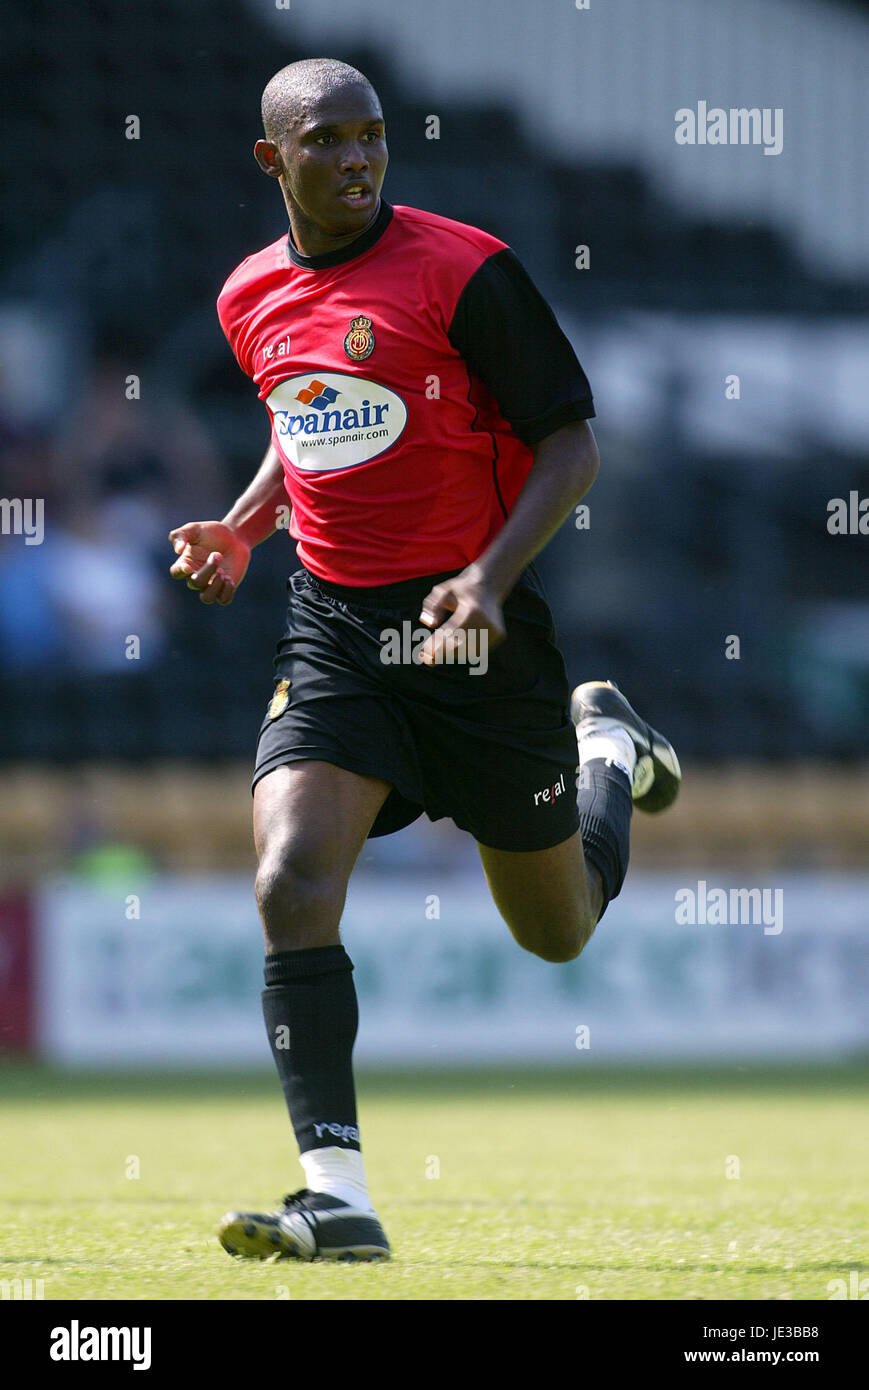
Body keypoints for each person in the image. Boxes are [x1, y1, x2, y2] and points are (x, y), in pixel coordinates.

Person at [169, 58, 680, 1264]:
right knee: (292, 880)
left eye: (372, 138)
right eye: (329, 141)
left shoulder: (466, 271)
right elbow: (306, 418)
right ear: (272, 160)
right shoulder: (249, 295)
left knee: (554, 931)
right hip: (338, 631)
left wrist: (491, 578)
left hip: (479, 639)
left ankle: (602, 744)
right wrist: (245, 528)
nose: (356, 160)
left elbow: (570, 446)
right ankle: (336, 1196)